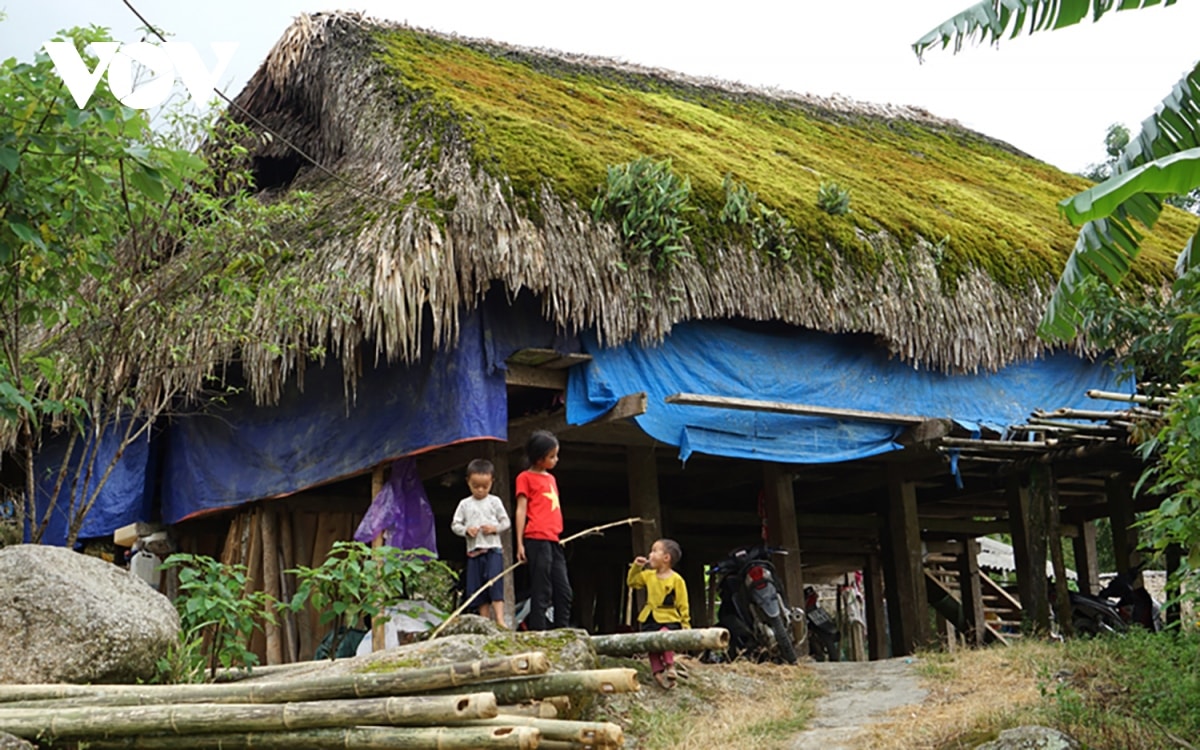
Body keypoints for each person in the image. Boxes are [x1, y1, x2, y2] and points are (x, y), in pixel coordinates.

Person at [515, 430, 571, 630]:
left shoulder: (551, 479)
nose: (556, 460)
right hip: (536, 537)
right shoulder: (525, 477)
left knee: (563, 590)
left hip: (553, 538)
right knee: (542, 589)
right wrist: (520, 543)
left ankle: (562, 631)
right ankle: (539, 634)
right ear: (540, 459)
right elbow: (521, 509)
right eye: (552, 456)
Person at [451, 458, 511, 628]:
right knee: (478, 588)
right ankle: (485, 622)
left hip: (493, 550)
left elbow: (506, 522)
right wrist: (466, 531)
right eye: (475, 486)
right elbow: (455, 524)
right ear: (468, 482)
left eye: (485, 486)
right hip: (474, 552)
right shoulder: (465, 504)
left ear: (492, 481)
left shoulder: (495, 501)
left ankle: (500, 619)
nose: (480, 490)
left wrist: (495, 528)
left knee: (495, 582)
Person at [628, 538, 690, 689]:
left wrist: (686, 624)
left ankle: (670, 666)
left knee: (665, 637)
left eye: (655, 551)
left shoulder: (677, 580)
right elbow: (632, 582)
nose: (650, 554)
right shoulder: (648, 575)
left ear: (666, 558)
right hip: (650, 617)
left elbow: (683, 603)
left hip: (669, 618)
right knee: (652, 646)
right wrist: (637, 567)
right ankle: (657, 673)